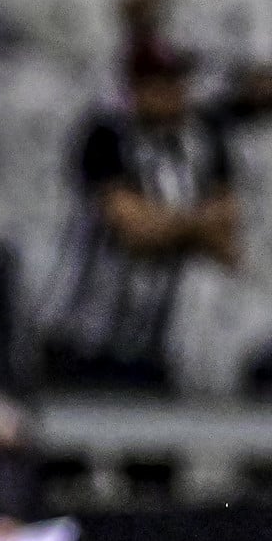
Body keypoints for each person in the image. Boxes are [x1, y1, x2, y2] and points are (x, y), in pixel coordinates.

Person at [39, 39, 267, 393]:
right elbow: (133, 230)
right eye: (157, 82)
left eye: (177, 80)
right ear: (134, 86)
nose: (171, 92)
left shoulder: (202, 140)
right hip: (83, 337)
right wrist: (193, 226)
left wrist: (166, 224)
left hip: (154, 345)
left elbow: (226, 237)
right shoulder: (107, 135)